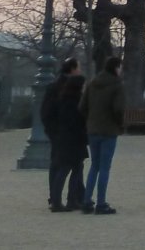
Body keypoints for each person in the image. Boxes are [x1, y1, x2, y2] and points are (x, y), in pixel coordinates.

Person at [78, 56, 125, 215]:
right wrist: (120, 124)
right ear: (116, 68)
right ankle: (101, 203)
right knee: (105, 167)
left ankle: (86, 201)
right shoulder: (117, 85)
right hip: (109, 130)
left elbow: (82, 107)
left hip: (93, 130)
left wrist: (90, 120)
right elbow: (118, 109)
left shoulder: (92, 84)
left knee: (94, 166)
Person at [41, 57, 80, 211]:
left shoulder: (53, 86)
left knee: (58, 164)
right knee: (72, 164)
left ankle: (56, 197)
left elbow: (45, 112)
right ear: (72, 69)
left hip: (57, 132)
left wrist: (51, 130)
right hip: (67, 132)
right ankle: (68, 198)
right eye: (78, 67)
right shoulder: (70, 87)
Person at [46, 74, 87, 213]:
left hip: (64, 139)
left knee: (69, 169)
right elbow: (77, 121)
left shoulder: (63, 99)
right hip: (74, 140)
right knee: (71, 169)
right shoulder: (76, 101)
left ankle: (60, 200)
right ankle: (67, 200)